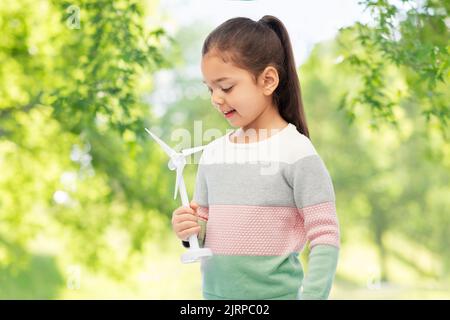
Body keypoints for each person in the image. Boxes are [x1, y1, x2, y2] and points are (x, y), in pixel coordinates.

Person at [172, 15, 340, 300]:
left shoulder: (297, 152)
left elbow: (325, 234)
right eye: (210, 89)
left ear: (268, 80)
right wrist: (188, 230)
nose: (215, 98)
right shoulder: (212, 154)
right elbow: (204, 231)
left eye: (226, 87)